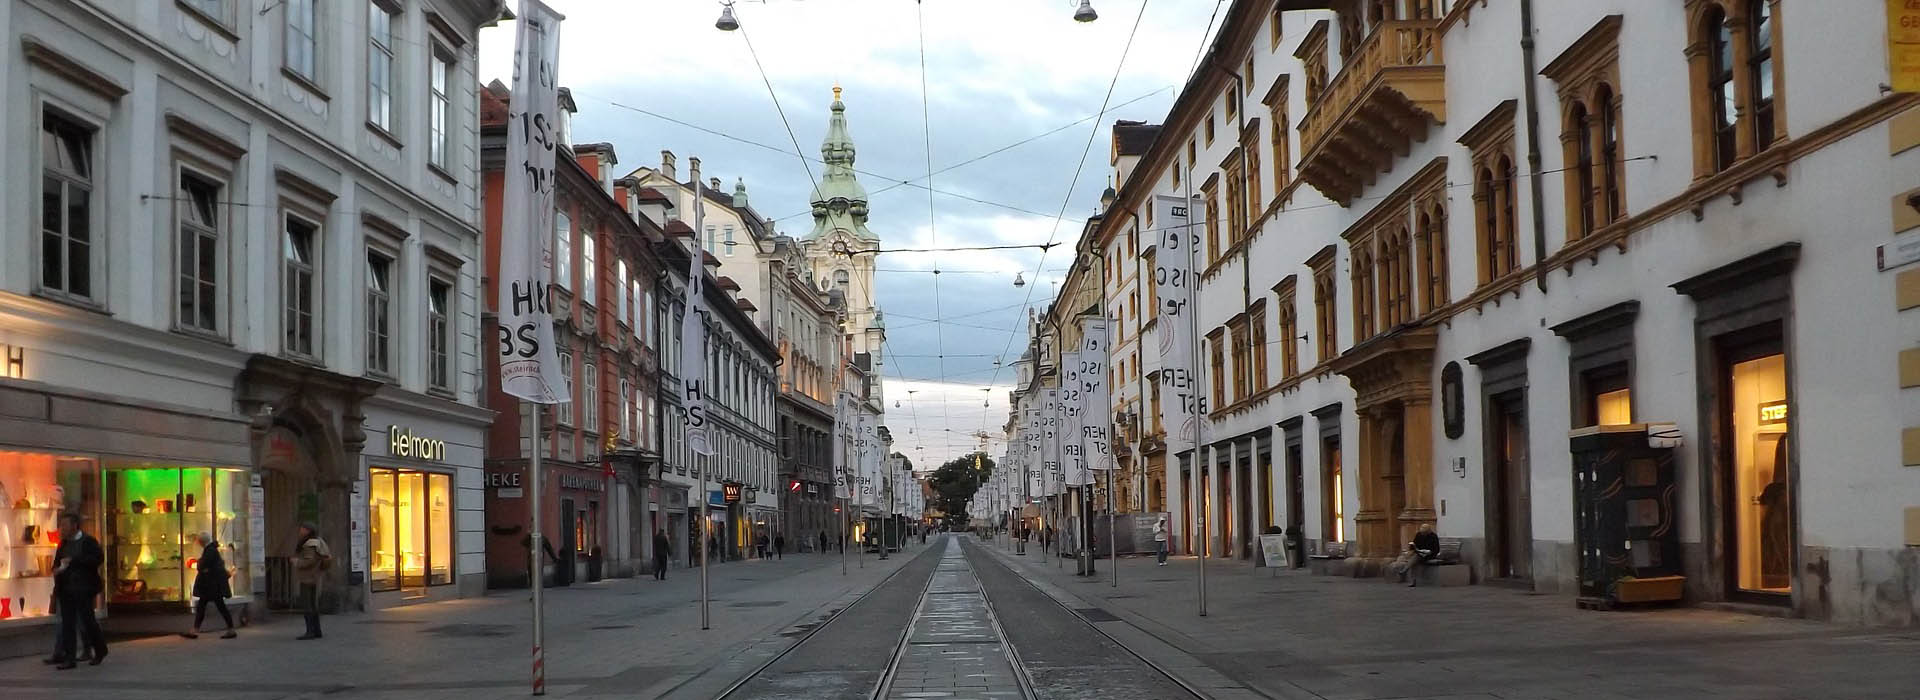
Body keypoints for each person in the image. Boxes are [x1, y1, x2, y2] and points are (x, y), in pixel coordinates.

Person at [51, 513, 106, 669]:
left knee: (88, 621)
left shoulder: (88, 541)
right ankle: (70, 658)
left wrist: (75, 561)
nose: (62, 529)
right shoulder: (63, 544)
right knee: (68, 623)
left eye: (65, 525)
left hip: (84, 588)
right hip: (66, 588)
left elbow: (97, 559)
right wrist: (57, 569)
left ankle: (100, 649)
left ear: (74, 526)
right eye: (61, 525)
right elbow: (56, 563)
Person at [182, 532, 237, 639]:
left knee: (213, 607)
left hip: (211, 586)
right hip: (212, 585)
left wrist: (200, 564)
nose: (198, 543)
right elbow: (206, 566)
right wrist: (203, 567)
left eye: (198, 541)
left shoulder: (210, 551)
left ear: (201, 542)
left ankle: (196, 630)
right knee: (208, 606)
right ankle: (196, 630)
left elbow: (202, 565)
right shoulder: (211, 550)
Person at [293, 523, 332, 640]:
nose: (300, 531)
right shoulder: (318, 542)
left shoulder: (310, 544)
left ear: (308, 531)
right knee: (313, 604)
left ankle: (310, 631)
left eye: (303, 529)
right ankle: (317, 630)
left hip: (308, 577)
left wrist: (297, 562)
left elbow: (309, 561)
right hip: (314, 576)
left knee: (307, 604)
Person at [1403, 523, 1440, 587]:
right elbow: (1415, 543)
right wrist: (1413, 547)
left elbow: (1436, 549)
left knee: (1415, 559)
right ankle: (1406, 571)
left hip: (1429, 555)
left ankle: (1405, 570)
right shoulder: (1419, 534)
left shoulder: (1433, 536)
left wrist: (1428, 551)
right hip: (1419, 553)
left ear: (1428, 531)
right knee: (1414, 559)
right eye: (1422, 533)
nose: (1422, 534)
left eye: (1424, 533)